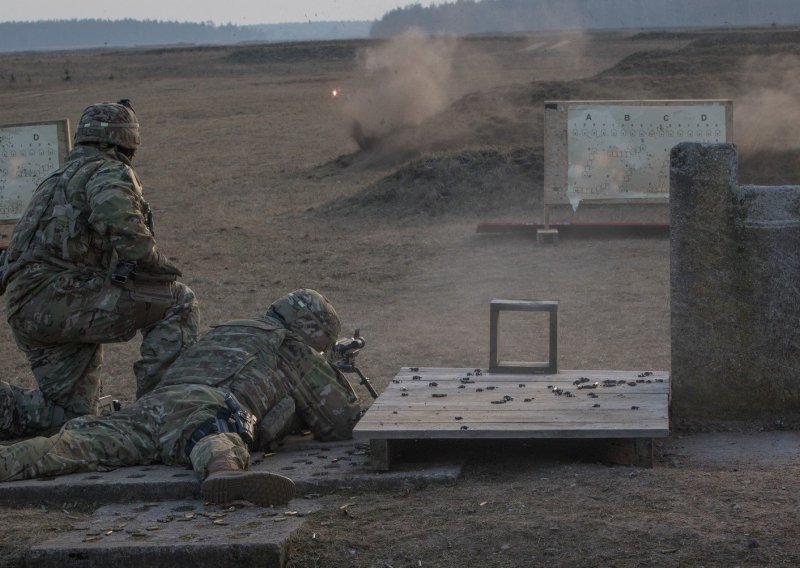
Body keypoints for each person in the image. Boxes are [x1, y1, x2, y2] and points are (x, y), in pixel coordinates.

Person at [0, 289, 364, 506]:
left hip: (152, 407)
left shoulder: (230, 330)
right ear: (311, 330)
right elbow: (340, 424)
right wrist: (327, 374)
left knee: (72, 444)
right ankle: (224, 475)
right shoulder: (292, 346)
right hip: (202, 408)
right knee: (216, 434)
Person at [0, 100, 199, 439]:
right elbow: (117, 216)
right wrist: (153, 262)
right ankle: (160, 415)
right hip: (60, 297)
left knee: (67, 417)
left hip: (29, 307)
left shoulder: (55, 179)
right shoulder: (108, 169)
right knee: (176, 302)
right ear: (127, 143)